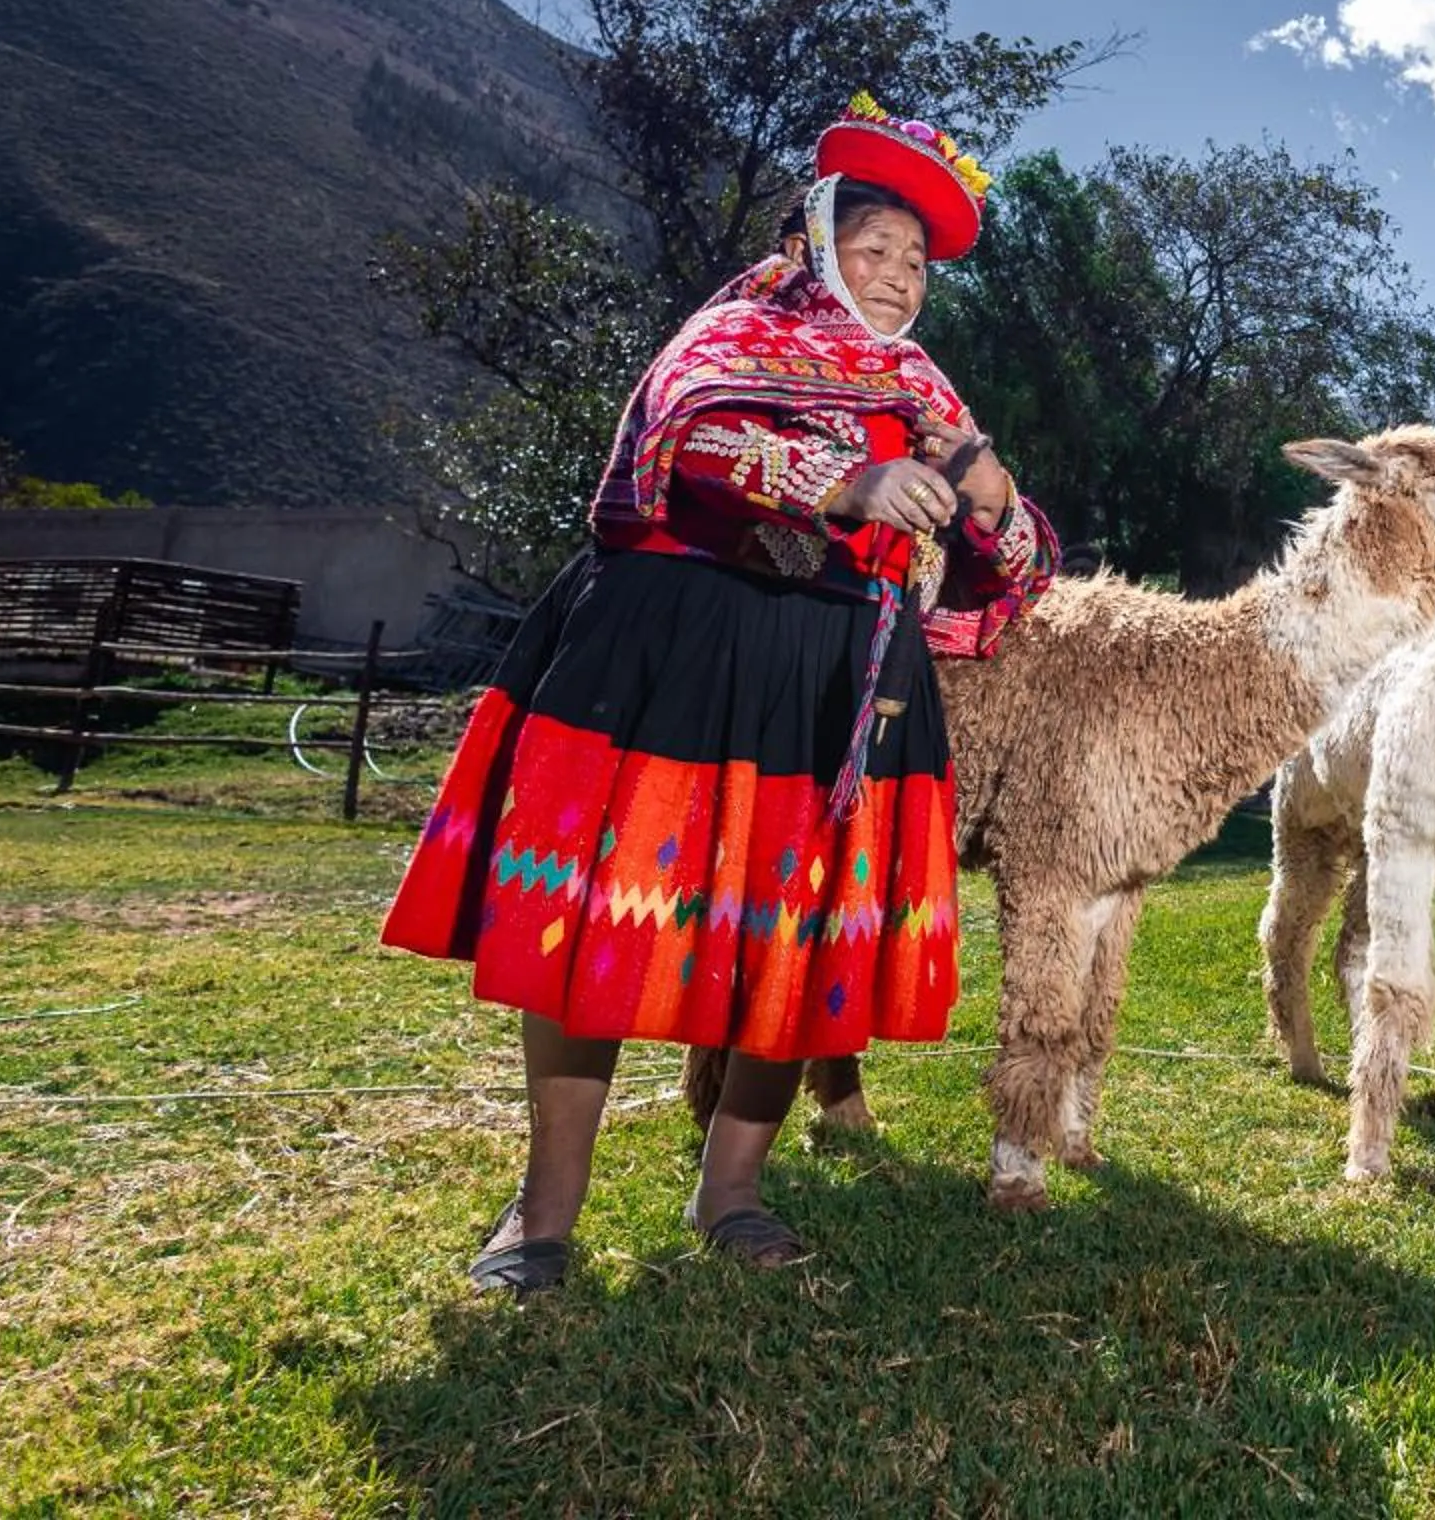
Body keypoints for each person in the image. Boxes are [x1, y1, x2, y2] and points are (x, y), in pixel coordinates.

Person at [383, 94, 1055, 1295]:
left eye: (915, 261)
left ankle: (732, 1187)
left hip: (838, 681)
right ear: (812, 241)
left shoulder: (924, 385)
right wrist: (849, 479)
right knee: (599, 919)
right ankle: (542, 1216)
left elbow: (1016, 560)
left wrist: (993, 500)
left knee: (794, 937)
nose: (898, 277)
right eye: (874, 249)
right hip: (680, 649)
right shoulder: (735, 329)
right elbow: (686, 435)